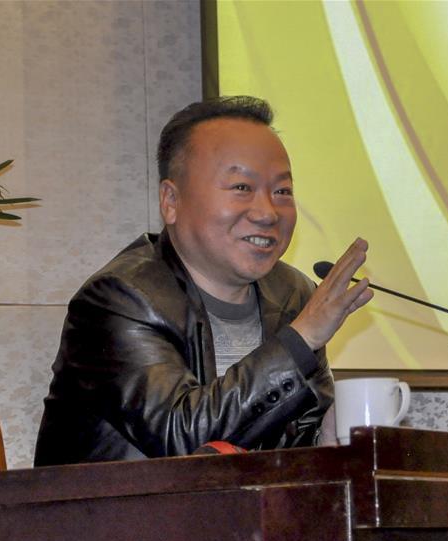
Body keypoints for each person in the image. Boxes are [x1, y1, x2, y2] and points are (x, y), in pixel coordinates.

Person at [34, 96, 372, 466]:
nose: (267, 212)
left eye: (282, 191)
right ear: (171, 201)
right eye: (241, 187)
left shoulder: (293, 294)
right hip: (123, 505)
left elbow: (289, 446)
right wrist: (302, 338)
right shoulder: (119, 299)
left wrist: (328, 438)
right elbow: (182, 439)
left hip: (247, 505)